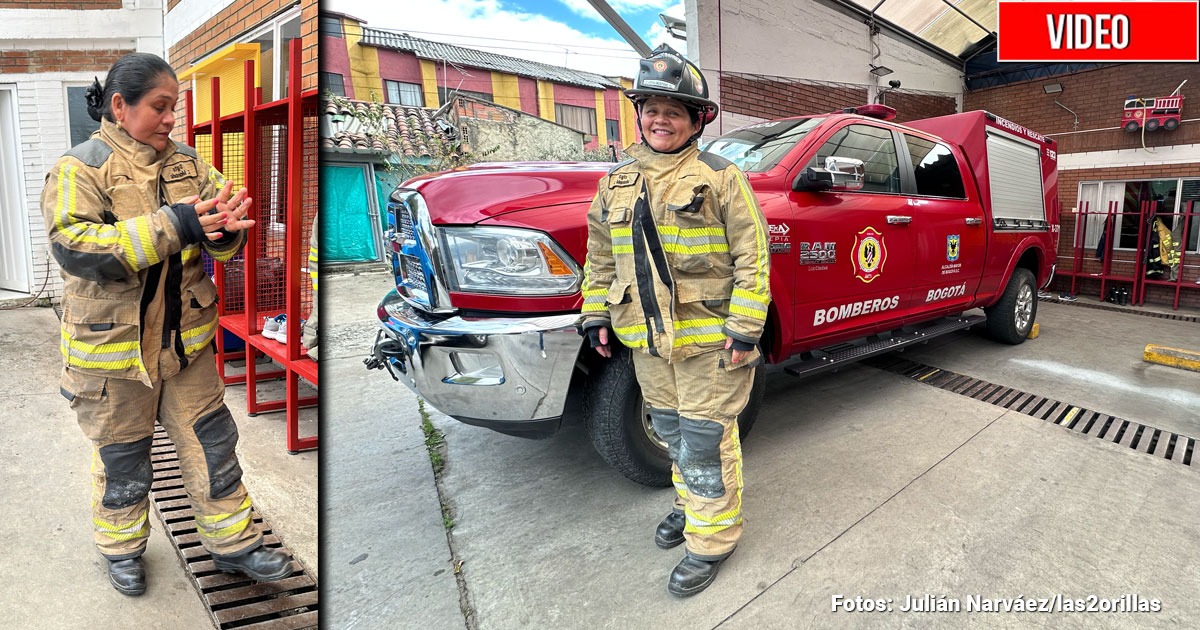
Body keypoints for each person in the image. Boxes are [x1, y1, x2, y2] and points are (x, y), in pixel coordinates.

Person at [41, 52, 293, 596]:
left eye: (173, 107)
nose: (170, 119)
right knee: (123, 459)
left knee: (213, 443)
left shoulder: (189, 165)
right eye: (159, 107)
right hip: (114, 353)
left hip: (187, 345)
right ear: (119, 106)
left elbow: (222, 229)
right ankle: (121, 550)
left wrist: (226, 233)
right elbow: (75, 246)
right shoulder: (78, 169)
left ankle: (234, 544)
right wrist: (177, 224)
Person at [578, 44, 771, 597]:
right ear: (638, 114)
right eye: (652, 109)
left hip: (711, 341)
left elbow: (753, 257)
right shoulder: (614, 183)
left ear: (696, 120)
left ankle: (712, 539)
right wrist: (596, 314)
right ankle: (691, 508)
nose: (660, 119)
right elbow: (601, 256)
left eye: (675, 110)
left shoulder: (721, 177)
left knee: (706, 438)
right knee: (669, 432)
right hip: (648, 342)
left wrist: (745, 330)